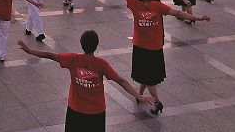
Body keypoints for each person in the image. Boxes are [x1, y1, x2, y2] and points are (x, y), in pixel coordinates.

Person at [104, 0, 210, 114]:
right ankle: (140, 96)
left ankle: (157, 102)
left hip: (141, 47)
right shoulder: (158, 6)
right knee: (147, 74)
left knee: (148, 77)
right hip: (156, 48)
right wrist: (197, 18)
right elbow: (179, 14)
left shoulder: (135, 4)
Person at [19, 30, 155, 131]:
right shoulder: (101, 64)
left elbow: (50, 55)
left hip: (75, 110)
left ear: (81, 44)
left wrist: (30, 51)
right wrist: (139, 96)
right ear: (96, 45)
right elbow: (121, 81)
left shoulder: (73, 59)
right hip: (96, 113)